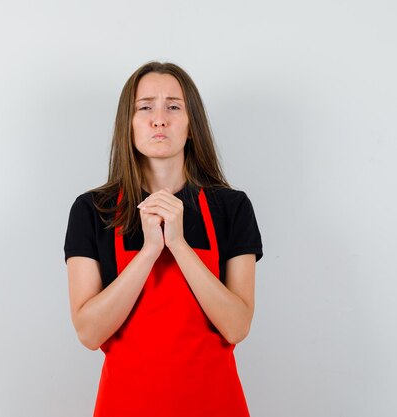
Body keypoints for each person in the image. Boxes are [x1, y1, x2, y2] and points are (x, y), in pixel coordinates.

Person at [63, 61, 263, 416]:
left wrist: (180, 245)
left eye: (173, 106)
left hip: (215, 406)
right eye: (145, 107)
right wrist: (150, 250)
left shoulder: (232, 207)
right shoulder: (93, 210)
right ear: (128, 123)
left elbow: (236, 326)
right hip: (125, 406)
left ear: (191, 125)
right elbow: (89, 332)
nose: (159, 119)